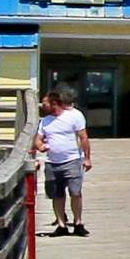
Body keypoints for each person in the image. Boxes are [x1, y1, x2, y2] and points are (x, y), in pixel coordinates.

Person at [32, 86, 94, 239]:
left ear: (54, 103)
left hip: (72, 160)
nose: (42, 106)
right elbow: (38, 140)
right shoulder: (45, 121)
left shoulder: (74, 116)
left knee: (75, 193)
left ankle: (78, 223)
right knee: (56, 195)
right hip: (52, 162)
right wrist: (40, 146)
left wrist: (87, 158)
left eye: (45, 103)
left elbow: (83, 137)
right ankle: (61, 225)